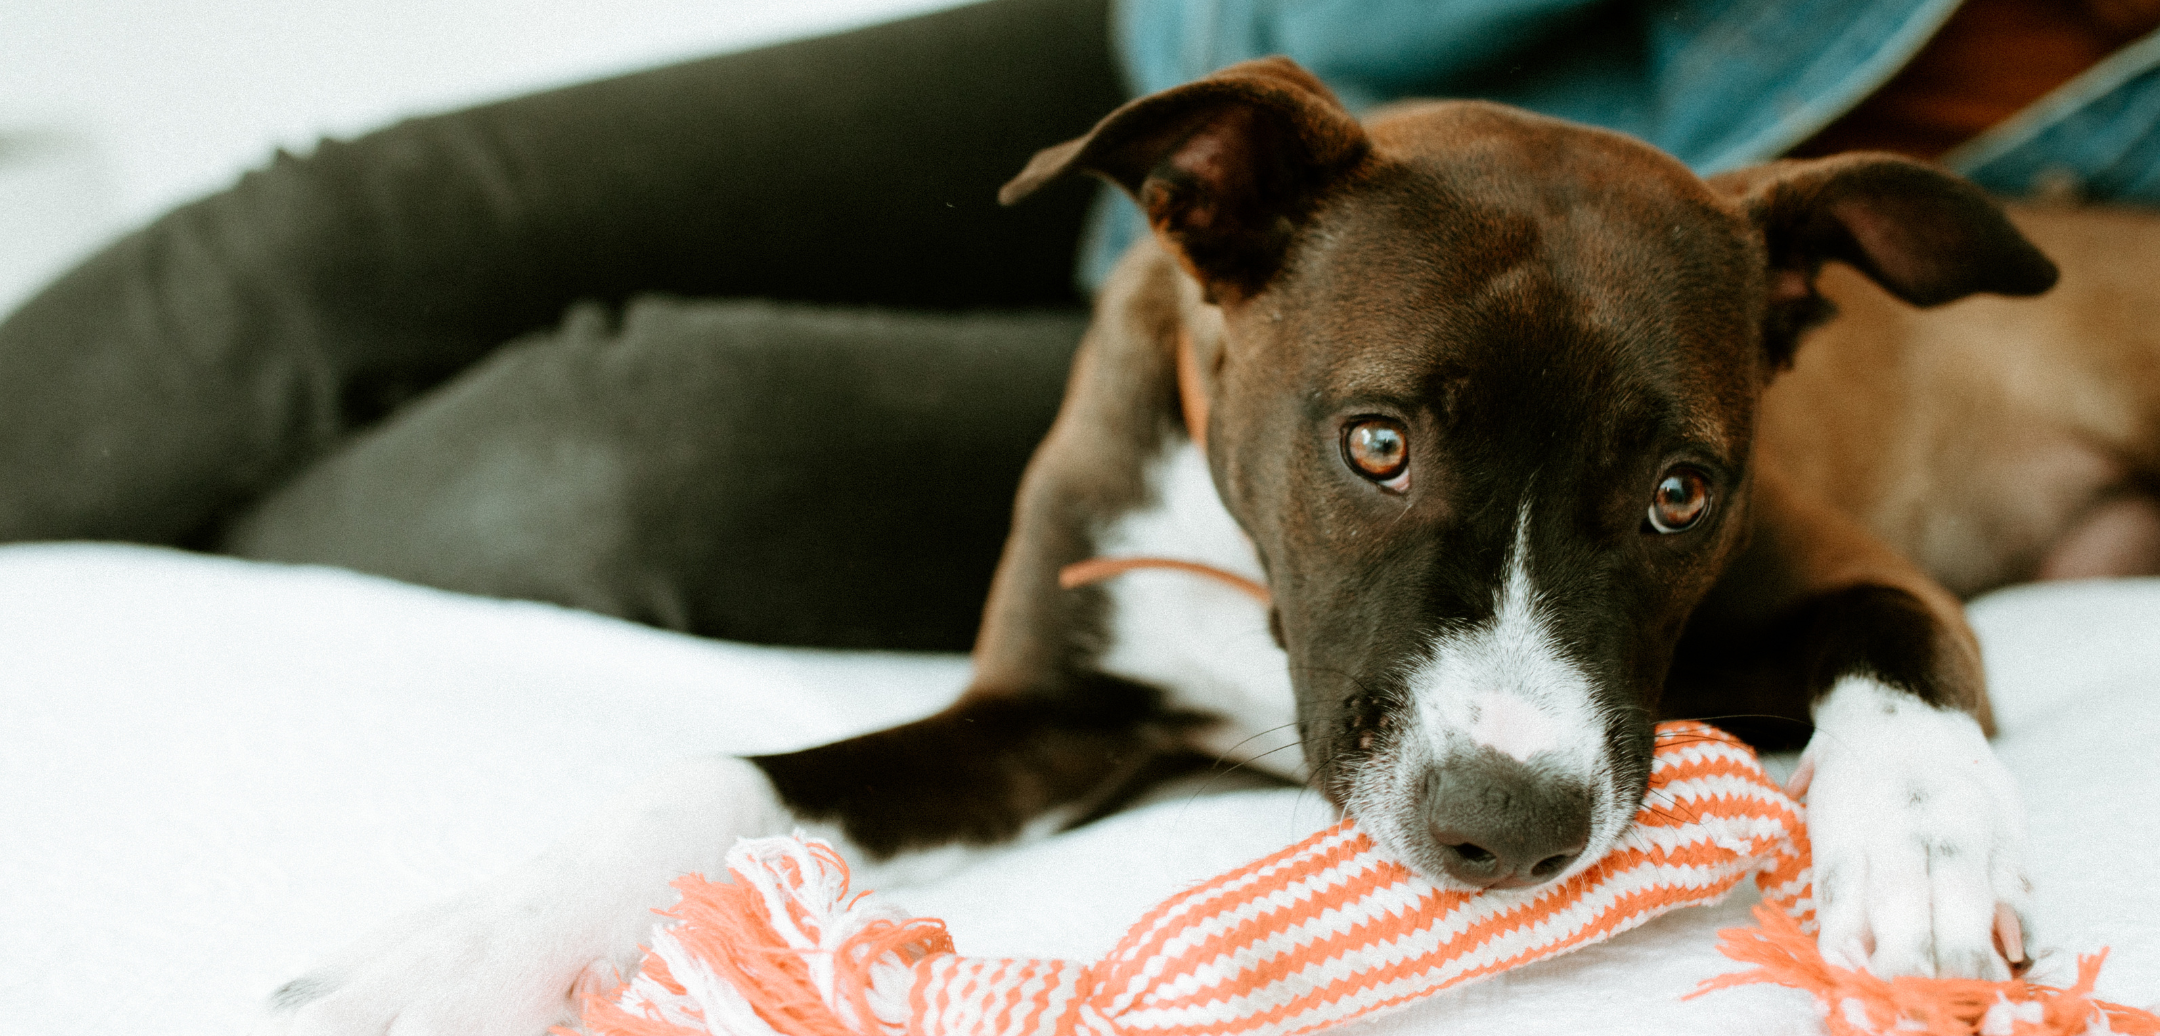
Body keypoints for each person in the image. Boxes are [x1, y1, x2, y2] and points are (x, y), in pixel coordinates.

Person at [1, 0, 2154, 650]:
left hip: (1432, 390)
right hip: (1230, 82)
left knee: (627, 447)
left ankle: (113, 618)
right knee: (322, 244)